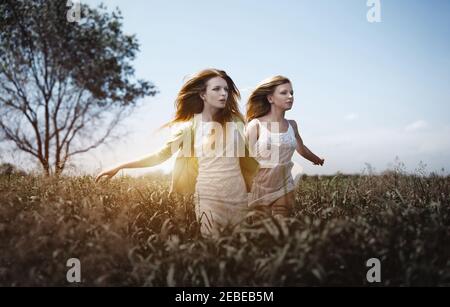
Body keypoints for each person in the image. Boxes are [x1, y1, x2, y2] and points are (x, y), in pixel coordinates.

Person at [95, 69, 257, 236]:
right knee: (213, 244)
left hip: (237, 194)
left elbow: (249, 155)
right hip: (209, 195)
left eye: (226, 89)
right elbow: (160, 156)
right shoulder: (190, 127)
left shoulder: (236, 121)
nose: (223, 93)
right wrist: (120, 166)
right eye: (216, 89)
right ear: (203, 94)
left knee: (240, 244)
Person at [245, 76, 324, 217]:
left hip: (284, 184)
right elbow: (245, 159)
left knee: (282, 228)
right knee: (262, 231)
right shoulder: (255, 125)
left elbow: (301, 148)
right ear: (270, 98)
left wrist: (316, 159)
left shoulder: (292, 125)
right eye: (284, 93)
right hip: (259, 187)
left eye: (292, 93)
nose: (290, 96)